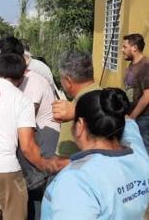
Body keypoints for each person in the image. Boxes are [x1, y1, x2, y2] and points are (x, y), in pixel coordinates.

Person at [0, 53, 64, 220]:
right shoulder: (22, 100)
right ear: (22, 77)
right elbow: (27, 147)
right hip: (4, 170)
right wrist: (48, 166)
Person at [41, 88, 149, 219]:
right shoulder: (138, 153)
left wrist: (78, 111)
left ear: (80, 125)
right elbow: (126, 120)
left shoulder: (77, 179)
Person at [0, 37, 63, 219]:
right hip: (28, 134)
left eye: (3, 57)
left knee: (37, 186)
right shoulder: (12, 78)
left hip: (43, 134)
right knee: (25, 186)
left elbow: (25, 117)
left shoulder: (32, 81)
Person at [52, 50, 101, 157]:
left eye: (61, 78)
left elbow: (64, 161)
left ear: (68, 81)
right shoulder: (106, 98)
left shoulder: (71, 114)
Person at [123, 33, 149, 152]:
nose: (122, 50)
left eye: (124, 47)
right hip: (132, 115)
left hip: (143, 118)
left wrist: (132, 117)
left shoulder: (145, 65)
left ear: (134, 48)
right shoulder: (132, 64)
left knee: (144, 150)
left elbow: (147, 95)